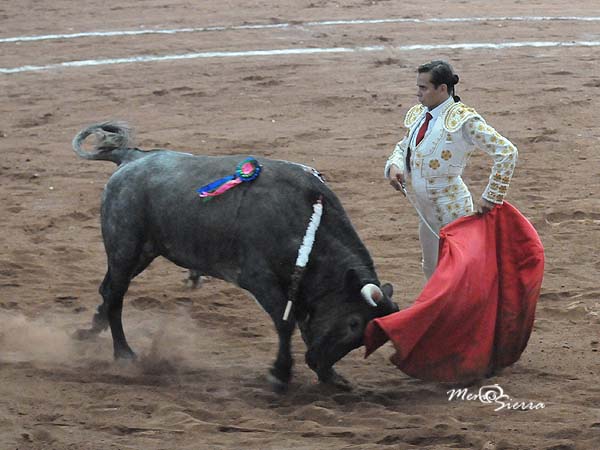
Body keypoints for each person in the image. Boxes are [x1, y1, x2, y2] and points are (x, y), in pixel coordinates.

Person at [385, 60, 518, 279]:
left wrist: (492, 196)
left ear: (442, 89)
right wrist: (395, 165)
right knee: (431, 269)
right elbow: (403, 146)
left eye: (423, 88)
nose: (418, 93)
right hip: (425, 211)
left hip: (452, 209)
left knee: (462, 272)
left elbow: (507, 152)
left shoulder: (463, 120)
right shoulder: (420, 114)